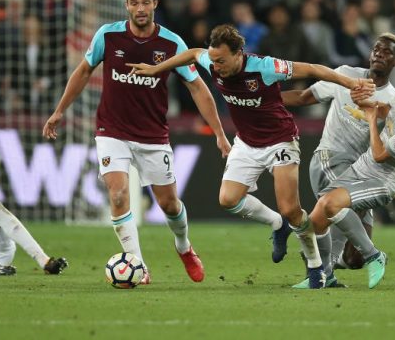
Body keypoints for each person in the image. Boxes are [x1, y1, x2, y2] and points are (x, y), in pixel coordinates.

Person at [127, 24, 375, 289]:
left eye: (221, 61)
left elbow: (314, 69)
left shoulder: (265, 67)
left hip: (280, 140)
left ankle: (316, 268)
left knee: (292, 209)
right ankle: (276, 223)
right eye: (213, 60)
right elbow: (191, 54)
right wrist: (156, 69)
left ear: (238, 54)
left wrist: (350, 83)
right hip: (246, 142)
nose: (216, 67)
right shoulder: (211, 60)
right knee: (228, 199)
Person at [43, 0, 231, 285]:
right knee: (118, 195)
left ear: (155, 4)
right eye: (134, 3)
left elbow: (198, 88)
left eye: (146, 2)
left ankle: (184, 247)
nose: (140, 8)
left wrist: (220, 134)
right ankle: (138, 265)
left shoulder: (172, 44)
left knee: (169, 204)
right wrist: (59, 110)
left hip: (152, 134)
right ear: (126, 6)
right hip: (111, 130)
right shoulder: (108, 36)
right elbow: (83, 70)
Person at [281, 33, 395, 288]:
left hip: (361, 171)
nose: (380, 53)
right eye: (377, 49)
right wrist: (264, 102)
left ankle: (328, 270)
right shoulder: (346, 75)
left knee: (352, 257)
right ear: (370, 54)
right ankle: (371, 256)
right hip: (330, 159)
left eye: (387, 52)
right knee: (330, 210)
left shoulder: (393, 101)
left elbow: (388, 146)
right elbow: (304, 97)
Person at [307, 68, 395, 289]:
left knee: (329, 204)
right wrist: (367, 104)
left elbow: (380, 156)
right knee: (317, 220)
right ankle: (326, 275)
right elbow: (387, 110)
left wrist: (370, 120)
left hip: (383, 181)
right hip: (361, 168)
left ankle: (374, 255)